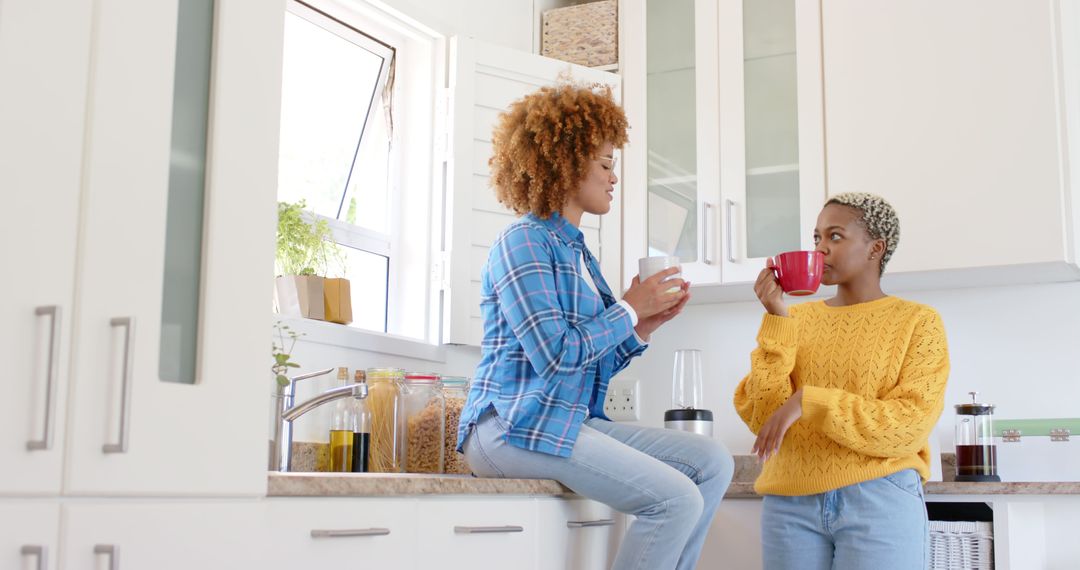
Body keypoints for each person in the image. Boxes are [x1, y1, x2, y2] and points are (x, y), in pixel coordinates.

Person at [457, 83, 734, 570]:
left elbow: (591, 359)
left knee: (712, 463)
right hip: (509, 428)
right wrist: (626, 308)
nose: (613, 178)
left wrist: (643, 325)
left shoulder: (576, 252)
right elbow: (557, 355)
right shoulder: (522, 242)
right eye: (605, 164)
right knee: (675, 500)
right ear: (564, 163)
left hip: (564, 421)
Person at [734, 193, 950, 569]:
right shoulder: (793, 320)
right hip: (790, 502)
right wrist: (777, 318)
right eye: (816, 238)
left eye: (835, 237)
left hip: (880, 497)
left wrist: (809, 401)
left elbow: (909, 425)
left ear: (875, 248)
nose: (820, 250)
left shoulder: (918, 322)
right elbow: (762, 414)